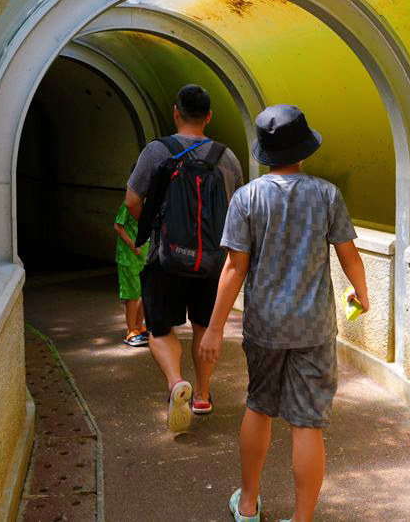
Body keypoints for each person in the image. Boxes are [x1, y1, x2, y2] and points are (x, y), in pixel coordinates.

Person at [199, 104, 370, 522]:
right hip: (313, 327)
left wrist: (214, 329)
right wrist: (361, 294)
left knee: (258, 407)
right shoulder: (327, 194)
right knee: (307, 424)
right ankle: (303, 518)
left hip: (266, 326)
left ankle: (248, 504)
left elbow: (234, 268)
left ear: (264, 152)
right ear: (303, 150)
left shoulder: (247, 198)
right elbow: (349, 255)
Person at [124, 84, 243, 432]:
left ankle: (177, 382)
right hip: (212, 261)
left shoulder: (156, 151)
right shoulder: (227, 157)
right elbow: (234, 210)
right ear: (209, 117)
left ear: (176, 111)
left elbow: (133, 201)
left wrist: (157, 228)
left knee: (160, 328)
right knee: (205, 327)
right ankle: (203, 395)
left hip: (166, 258)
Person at [114, 200, 149, 346]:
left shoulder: (149, 205)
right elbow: (118, 225)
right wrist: (133, 245)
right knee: (132, 294)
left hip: (144, 257)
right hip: (129, 258)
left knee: (144, 293)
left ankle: (138, 326)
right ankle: (131, 331)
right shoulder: (128, 204)